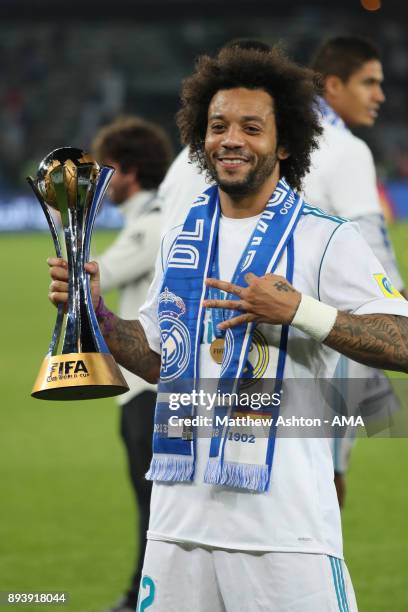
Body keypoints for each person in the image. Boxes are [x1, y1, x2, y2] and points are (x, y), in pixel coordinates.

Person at [48, 46, 408, 611]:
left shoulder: (326, 238)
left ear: (284, 143)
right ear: (200, 136)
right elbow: (159, 362)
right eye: (218, 126)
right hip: (177, 531)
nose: (230, 139)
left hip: (285, 538)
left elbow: (403, 342)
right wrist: (98, 314)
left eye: (251, 127)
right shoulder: (182, 239)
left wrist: (299, 312)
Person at [302, 36, 407, 506]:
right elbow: (370, 242)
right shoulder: (345, 150)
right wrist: (399, 308)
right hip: (329, 336)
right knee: (325, 478)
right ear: (333, 84)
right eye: (369, 83)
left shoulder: (284, 138)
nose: (379, 96)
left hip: (263, 332)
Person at [91, 116, 173, 612]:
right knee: (154, 507)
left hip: (150, 389)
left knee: (155, 509)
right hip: (145, 385)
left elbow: (92, 277)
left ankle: (140, 600)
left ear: (129, 171)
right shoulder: (155, 218)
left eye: (107, 171)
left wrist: (66, 228)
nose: (102, 183)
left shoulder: (153, 222)